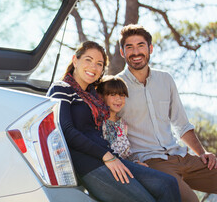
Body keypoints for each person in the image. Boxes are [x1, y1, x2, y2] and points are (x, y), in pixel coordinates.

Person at [47, 41, 180, 202]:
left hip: (107, 156)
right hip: (86, 163)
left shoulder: (93, 96)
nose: (93, 67)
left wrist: (122, 159)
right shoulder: (62, 88)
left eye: (99, 64)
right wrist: (106, 156)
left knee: (168, 184)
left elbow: (100, 136)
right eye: (88, 60)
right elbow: (65, 131)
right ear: (75, 60)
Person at [117, 24, 217, 202]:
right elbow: (110, 131)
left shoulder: (165, 79)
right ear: (122, 52)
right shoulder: (116, 86)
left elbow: (182, 124)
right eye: (129, 47)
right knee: (191, 200)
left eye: (141, 45)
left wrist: (201, 153)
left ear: (150, 49)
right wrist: (131, 162)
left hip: (180, 155)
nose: (135, 52)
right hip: (151, 162)